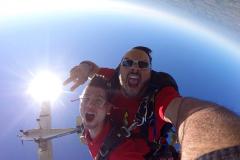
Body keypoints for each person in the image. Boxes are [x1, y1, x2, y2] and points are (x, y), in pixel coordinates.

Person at [65, 46, 240, 159]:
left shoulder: (158, 94)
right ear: (120, 69)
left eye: (143, 65)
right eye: (128, 62)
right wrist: (84, 67)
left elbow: (184, 112)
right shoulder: (112, 78)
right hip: (110, 143)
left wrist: (221, 151)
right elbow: (92, 69)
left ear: (150, 73)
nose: (134, 67)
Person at [78, 75, 150, 160]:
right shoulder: (88, 130)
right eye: (86, 99)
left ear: (108, 108)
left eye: (98, 100)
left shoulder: (121, 154)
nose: (89, 105)